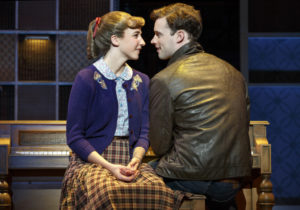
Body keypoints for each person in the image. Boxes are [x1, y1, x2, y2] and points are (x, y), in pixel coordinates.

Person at [60, 11, 183, 209]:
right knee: (107, 192)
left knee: (159, 192)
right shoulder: (86, 78)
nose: (143, 42)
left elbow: (144, 131)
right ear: (115, 39)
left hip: (129, 160)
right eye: (136, 35)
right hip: (93, 162)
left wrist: (136, 159)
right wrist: (109, 167)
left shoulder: (142, 81)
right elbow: (74, 137)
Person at [149, 3, 252, 210]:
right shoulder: (234, 73)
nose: (153, 41)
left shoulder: (164, 79)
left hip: (194, 178)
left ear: (179, 36)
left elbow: (159, 146)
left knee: (134, 179)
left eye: (158, 35)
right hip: (234, 180)